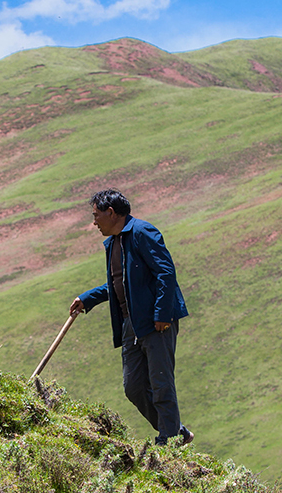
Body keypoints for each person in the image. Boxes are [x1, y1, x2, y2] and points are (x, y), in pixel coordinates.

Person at [69, 189, 192, 446]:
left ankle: (169, 441)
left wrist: (161, 314)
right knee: (133, 387)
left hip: (155, 322)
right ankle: (175, 431)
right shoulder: (114, 243)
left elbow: (166, 273)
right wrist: (88, 298)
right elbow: (119, 284)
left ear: (111, 213)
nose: (94, 222)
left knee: (161, 383)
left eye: (96, 215)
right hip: (130, 325)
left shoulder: (142, 232)